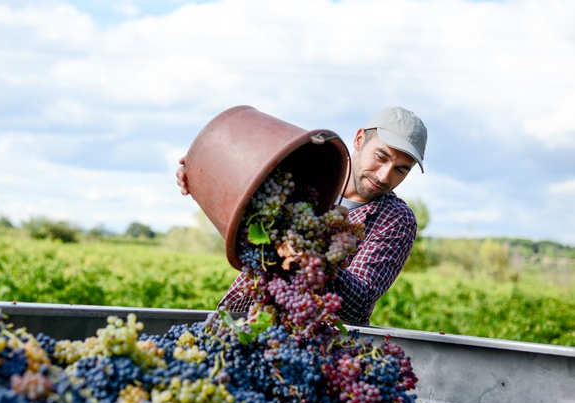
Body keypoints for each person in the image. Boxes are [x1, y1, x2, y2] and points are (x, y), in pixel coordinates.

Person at [176, 106, 427, 325]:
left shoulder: (395, 219)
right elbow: (244, 213)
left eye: (400, 170)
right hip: (244, 317)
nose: (384, 176)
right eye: (381, 157)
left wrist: (312, 256)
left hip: (315, 344)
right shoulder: (305, 172)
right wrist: (200, 175)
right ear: (360, 139)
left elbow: (359, 303)